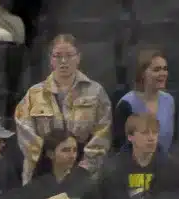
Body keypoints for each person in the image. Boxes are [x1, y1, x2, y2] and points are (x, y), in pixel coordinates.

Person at [14, 34, 111, 183]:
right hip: (42, 174)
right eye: (58, 56)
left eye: (69, 55)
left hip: (83, 173)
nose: (64, 61)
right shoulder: (34, 93)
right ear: (51, 60)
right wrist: (48, 161)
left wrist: (83, 168)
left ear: (78, 58)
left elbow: (103, 133)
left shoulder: (96, 92)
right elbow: (25, 133)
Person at [112, 48, 176, 155]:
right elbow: (119, 147)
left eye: (165, 69)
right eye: (156, 70)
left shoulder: (169, 101)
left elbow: (174, 141)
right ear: (143, 73)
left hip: (164, 167)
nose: (163, 73)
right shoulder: (126, 104)